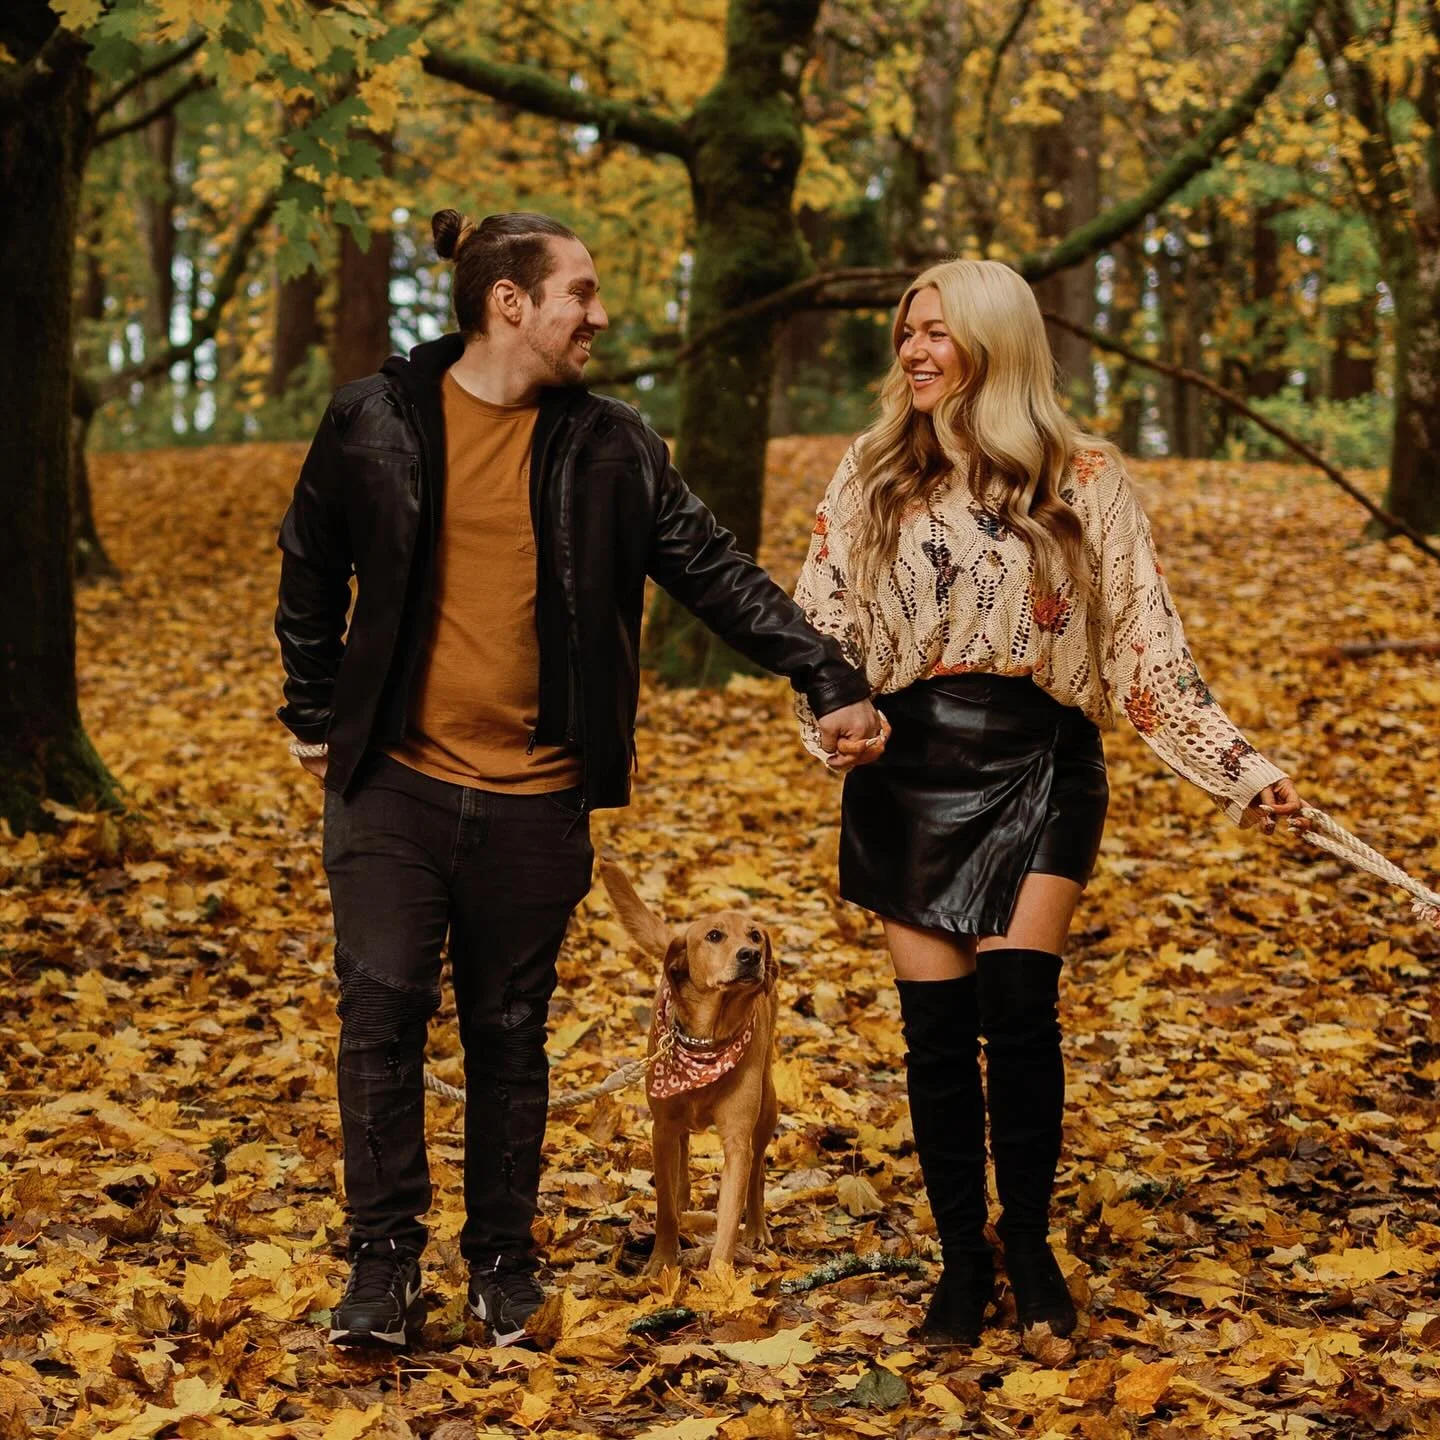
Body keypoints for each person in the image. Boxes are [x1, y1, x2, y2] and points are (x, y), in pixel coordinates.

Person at [275, 208, 885, 1349]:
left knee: (509, 1031)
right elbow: (311, 564)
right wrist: (313, 713)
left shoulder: (612, 445)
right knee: (382, 1013)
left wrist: (826, 674)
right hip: (393, 782)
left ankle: (503, 1266)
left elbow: (712, 570)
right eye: (581, 294)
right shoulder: (374, 420)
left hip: (539, 792)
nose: (600, 315)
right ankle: (382, 1268)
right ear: (510, 303)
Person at [794, 259, 1306, 1348]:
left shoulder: (1085, 478)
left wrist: (1243, 771)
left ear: (998, 342)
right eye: (908, 331)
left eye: (939, 331)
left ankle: (1027, 1245)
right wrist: (834, 719)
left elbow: (1148, 655)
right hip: (908, 768)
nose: (916, 350)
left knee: (1020, 1011)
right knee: (936, 1036)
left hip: (1044, 759)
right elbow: (820, 630)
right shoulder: (872, 472)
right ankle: (960, 1261)